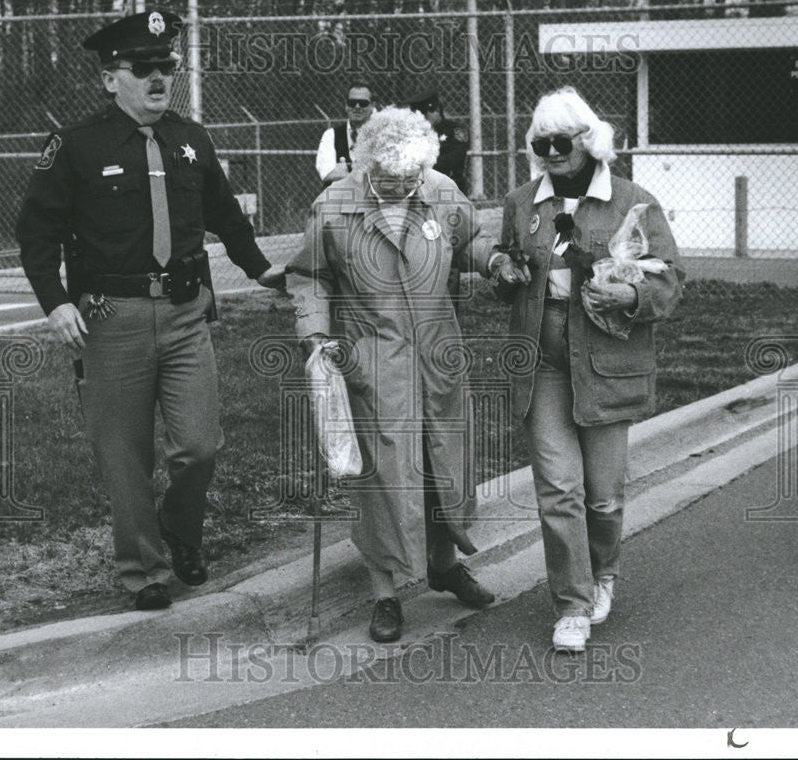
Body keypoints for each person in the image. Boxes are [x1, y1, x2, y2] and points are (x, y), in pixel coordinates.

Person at [16, 9, 285, 611]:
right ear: (112, 79)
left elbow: (225, 214)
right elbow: (36, 231)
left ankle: (179, 530)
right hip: (111, 317)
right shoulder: (76, 147)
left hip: (188, 313)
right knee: (124, 455)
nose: (160, 78)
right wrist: (55, 302)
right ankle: (145, 571)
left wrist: (259, 268)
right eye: (145, 69)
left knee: (200, 446)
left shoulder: (190, 140)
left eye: (168, 66)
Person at [287, 106, 500, 643]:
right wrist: (315, 334)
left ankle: (444, 564)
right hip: (373, 362)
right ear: (366, 164)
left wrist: (493, 261)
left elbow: (470, 240)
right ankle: (384, 594)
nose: (403, 187)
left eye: (411, 179)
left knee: (442, 464)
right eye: (390, 179)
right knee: (382, 479)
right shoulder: (333, 206)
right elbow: (309, 276)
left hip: (437, 356)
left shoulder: (441, 190)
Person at [488, 87, 685, 652]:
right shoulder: (523, 202)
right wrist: (504, 271)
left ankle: (603, 573)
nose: (549, 152)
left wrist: (627, 294)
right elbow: (505, 263)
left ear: (588, 141)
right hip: (542, 362)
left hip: (605, 362)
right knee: (558, 489)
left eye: (560, 143)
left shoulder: (632, 201)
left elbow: (670, 281)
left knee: (603, 495)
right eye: (539, 143)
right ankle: (571, 605)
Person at [407, 88, 470, 307]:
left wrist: (421, 163)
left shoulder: (453, 131)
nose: (424, 119)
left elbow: (453, 160)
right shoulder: (413, 136)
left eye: (427, 113)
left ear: (435, 111)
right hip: (417, 199)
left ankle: (448, 308)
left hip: (446, 198)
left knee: (447, 254)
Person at [315, 81, 375, 190]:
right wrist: (366, 175)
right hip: (340, 200)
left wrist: (346, 171)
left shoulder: (381, 135)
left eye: (363, 103)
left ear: (372, 106)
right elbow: (326, 174)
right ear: (346, 106)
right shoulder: (331, 135)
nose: (357, 107)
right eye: (352, 102)